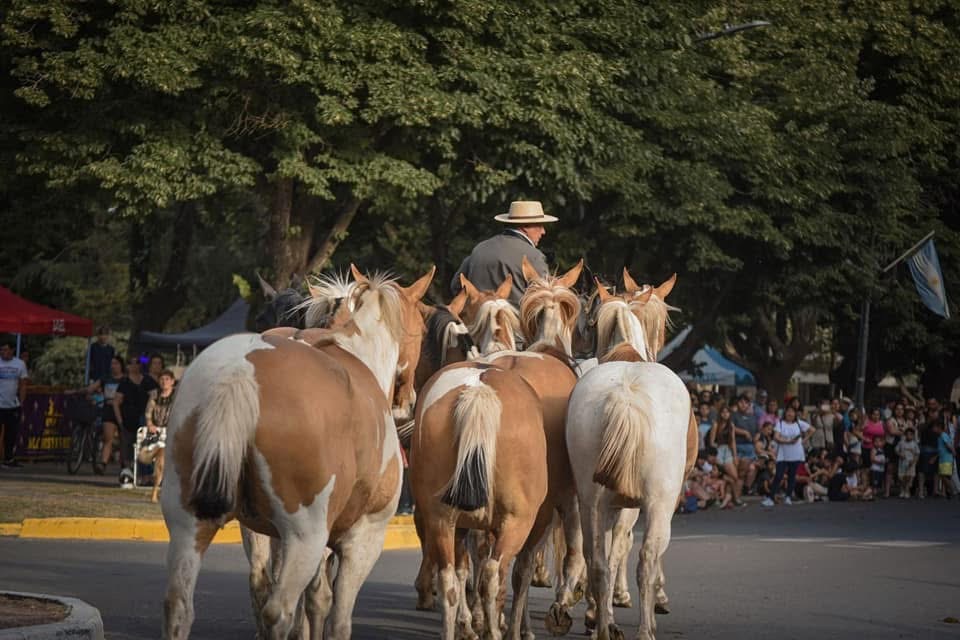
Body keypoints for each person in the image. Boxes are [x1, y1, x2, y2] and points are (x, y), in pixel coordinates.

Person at [450, 200, 556, 307]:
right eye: (539, 225)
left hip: (476, 321)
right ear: (525, 227)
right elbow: (546, 299)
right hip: (516, 321)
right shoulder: (534, 256)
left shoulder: (479, 248)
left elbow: (456, 287)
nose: (543, 231)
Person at [113, 357, 158, 488]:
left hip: (144, 420)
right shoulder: (125, 382)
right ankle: (128, 475)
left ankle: (146, 477)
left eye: (137, 362)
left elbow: (155, 396)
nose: (134, 365)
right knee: (127, 449)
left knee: (145, 448)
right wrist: (120, 421)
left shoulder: (148, 381)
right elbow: (116, 402)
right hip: (127, 420)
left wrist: (150, 417)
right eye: (131, 363)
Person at [761, 405, 816, 507]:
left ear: (795, 414)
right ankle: (771, 497)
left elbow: (812, 429)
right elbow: (776, 437)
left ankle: (788, 497)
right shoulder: (780, 424)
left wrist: (804, 440)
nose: (790, 414)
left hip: (796, 453)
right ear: (785, 413)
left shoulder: (799, 423)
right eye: (788, 411)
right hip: (783, 454)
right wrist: (788, 442)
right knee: (779, 475)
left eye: (792, 412)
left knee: (792, 476)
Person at [140, 369, 175, 503]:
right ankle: (155, 491)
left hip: (172, 431)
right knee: (161, 457)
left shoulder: (177, 395)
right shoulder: (155, 395)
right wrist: (150, 424)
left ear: (172, 381)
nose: (164, 382)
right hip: (156, 432)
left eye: (167, 379)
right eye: (162, 379)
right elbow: (148, 412)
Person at [708, 406, 745, 507]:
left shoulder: (731, 425)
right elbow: (711, 442)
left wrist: (735, 456)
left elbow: (732, 441)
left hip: (728, 451)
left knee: (734, 477)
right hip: (718, 451)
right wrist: (718, 450)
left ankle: (732, 498)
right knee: (731, 478)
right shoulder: (716, 424)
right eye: (723, 412)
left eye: (727, 412)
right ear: (720, 413)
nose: (725, 414)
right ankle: (734, 499)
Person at [0, 341, 29, 468]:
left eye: (6, 350)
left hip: (12, 405)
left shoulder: (20, 364)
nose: (3, 352)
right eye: (1, 350)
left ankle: (8, 458)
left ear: (12, 350)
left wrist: (21, 402)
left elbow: (23, 384)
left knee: (11, 434)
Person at [731, 394, 759, 493]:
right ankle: (736, 491)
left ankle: (746, 489)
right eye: (741, 402)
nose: (743, 404)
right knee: (739, 471)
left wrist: (756, 437)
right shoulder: (733, 415)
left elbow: (758, 431)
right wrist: (744, 432)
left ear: (748, 404)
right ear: (737, 404)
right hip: (737, 447)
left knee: (752, 468)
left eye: (745, 403)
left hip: (750, 447)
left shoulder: (753, 417)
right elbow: (731, 428)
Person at [895, 427, 920, 499]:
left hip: (911, 463)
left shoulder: (915, 444)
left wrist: (914, 461)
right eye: (907, 434)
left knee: (909, 478)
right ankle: (902, 490)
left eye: (911, 435)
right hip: (902, 463)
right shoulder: (901, 442)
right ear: (905, 435)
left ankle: (907, 491)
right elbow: (896, 450)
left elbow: (917, 454)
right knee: (901, 477)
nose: (909, 436)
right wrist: (900, 455)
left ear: (913, 435)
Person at [935, 422, 956, 498]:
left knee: (944, 475)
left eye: (935, 428)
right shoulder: (940, 436)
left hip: (946, 459)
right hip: (942, 458)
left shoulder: (943, 435)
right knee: (944, 475)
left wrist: (952, 451)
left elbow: (947, 444)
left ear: (939, 428)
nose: (934, 429)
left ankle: (952, 490)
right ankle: (950, 491)